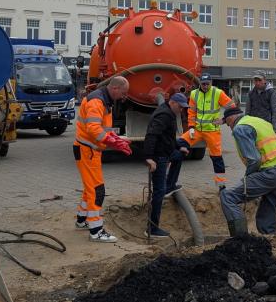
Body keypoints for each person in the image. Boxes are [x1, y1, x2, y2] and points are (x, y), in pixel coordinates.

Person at [74, 76, 132, 242]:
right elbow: (94, 129)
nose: (124, 97)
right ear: (115, 88)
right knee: (97, 190)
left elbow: (103, 129)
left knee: (89, 188)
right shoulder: (97, 102)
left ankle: (81, 220)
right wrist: (114, 142)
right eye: (123, 93)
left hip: (88, 150)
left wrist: (116, 138)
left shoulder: (105, 100)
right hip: (87, 151)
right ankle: (96, 231)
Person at [219, 107, 276, 236]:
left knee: (227, 197)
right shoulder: (259, 121)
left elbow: (254, 159)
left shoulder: (240, 128)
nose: (230, 128)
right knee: (267, 209)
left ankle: (240, 238)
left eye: (228, 125)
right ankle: (269, 238)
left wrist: (248, 177)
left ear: (230, 119)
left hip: (269, 173)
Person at [143, 93, 190, 238]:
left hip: (167, 152)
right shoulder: (164, 115)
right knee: (159, 191)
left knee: (179, 156)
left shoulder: (170, 113)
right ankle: (152, 228)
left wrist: (179, 147)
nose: (181, 110)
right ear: (173, 103)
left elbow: (168, 136)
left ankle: (170, 185)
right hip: (159, 157)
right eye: (180, 107)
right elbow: (151, 135)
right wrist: (149, 158)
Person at [179, 74, 236, 189]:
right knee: (178, 144)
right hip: (197, 130)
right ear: (200, 83)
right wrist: (191, 127)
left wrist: (223, 120)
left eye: (207, 84)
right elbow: (191, 112)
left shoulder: (217, 93)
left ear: (211, 83)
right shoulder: (194, 94)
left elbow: (232, 107)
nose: (205, 86)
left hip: (212, 131)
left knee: (216, 158)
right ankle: (168, 178)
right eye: (203, 84)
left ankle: (221, 186)